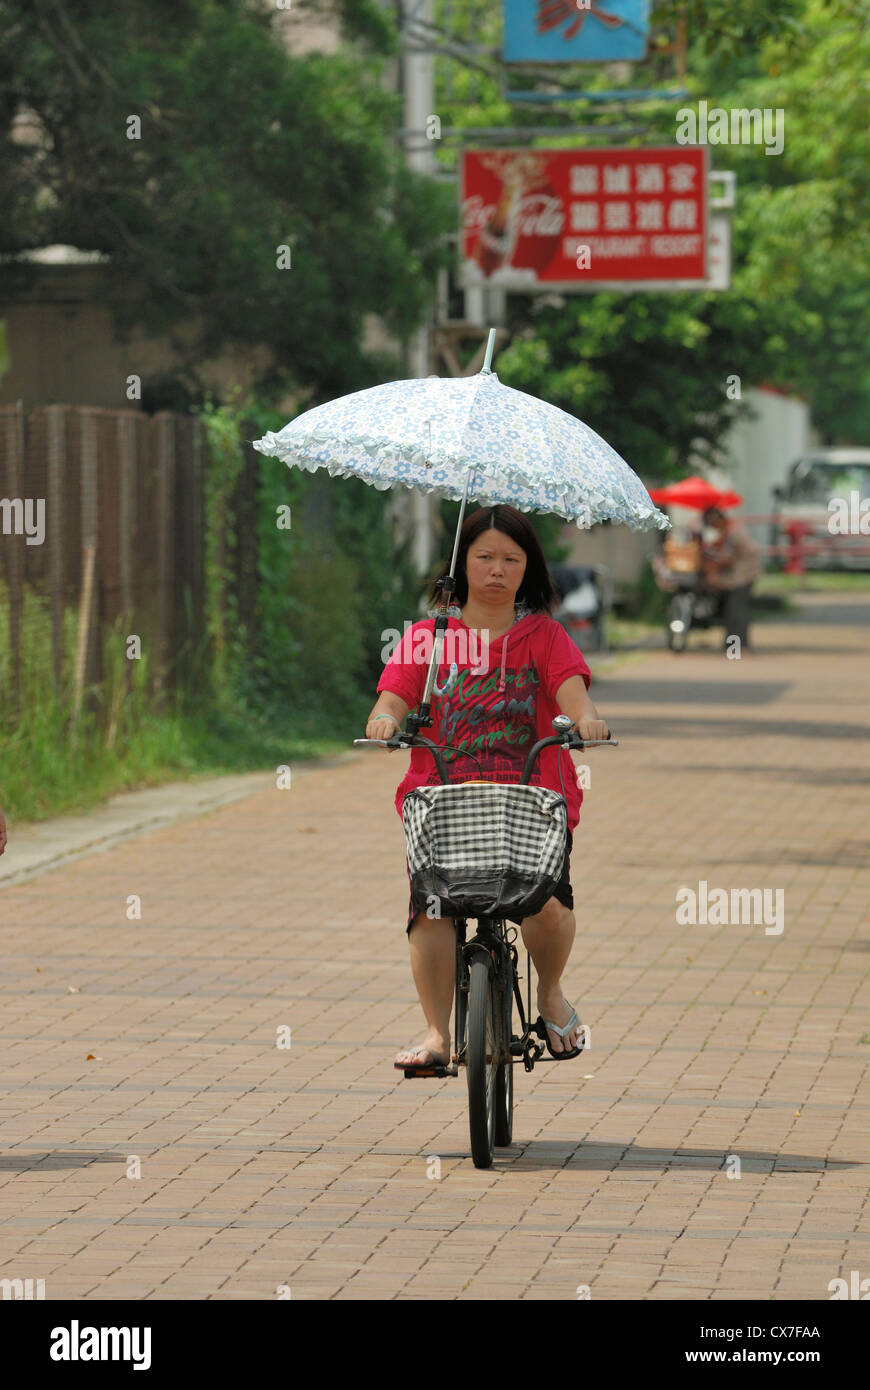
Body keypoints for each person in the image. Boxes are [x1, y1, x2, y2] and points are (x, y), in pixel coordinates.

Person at [365, 503, 610, 1072]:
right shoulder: (430, 637)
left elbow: (574, 696)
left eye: (511, 559)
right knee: (432, 909)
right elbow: (393, 697)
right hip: (444, 797)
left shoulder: (547, 636)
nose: (497, 570)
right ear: (461, 564)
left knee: (544, 907)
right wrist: (384, 719)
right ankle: (436, 1034)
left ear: (529, 568)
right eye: (484, 557)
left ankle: (550, 995)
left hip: (530, 796)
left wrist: (588, 720)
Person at [700, 506, 762, 651]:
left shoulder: (734, 532)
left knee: (736, 610)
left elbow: (732, 556)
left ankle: (737, 644)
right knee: (734, 609)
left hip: (743, 574)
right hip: (739, 574)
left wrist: (714, 565)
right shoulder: (729, 531)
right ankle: (735, 642)